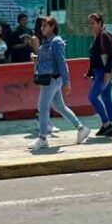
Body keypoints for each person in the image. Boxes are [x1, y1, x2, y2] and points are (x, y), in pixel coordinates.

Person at [29, 17, 91, 151]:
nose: (42, 28)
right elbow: (47, 58)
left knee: (42, 106)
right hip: (50, 78)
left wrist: (67, 82)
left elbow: (62, 63)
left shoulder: (56, 42)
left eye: (45, 26)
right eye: (41, 26)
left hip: (53, 79)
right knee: (60, 106)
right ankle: (81, 128)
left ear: (52, 27)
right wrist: (36, 58)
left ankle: (42, 138)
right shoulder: (47, 41)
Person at [85, 13, 112, 137]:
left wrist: (108, 72)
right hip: (99, 72)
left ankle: (107, 123)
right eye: (90, 23)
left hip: (102, 73)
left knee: (92, 97)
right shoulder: (98, 37)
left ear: (100, 23)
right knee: (106, 99)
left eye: (93, 23)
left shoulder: (103, 36)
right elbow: (95, 57)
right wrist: (90, 72)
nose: (91, 26)